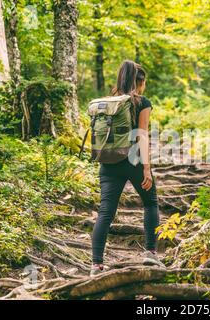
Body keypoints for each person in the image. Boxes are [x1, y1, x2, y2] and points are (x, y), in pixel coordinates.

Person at [90, 60, 163, 276]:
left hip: (108, 162)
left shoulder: (110, 102)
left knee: (105, 212)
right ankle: (150, 253)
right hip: (133, 161)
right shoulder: (142, 102)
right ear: (139, 82)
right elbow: (142, 136)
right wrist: (146, 169)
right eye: (144, 83)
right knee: (150, 203)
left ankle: (96, 265)